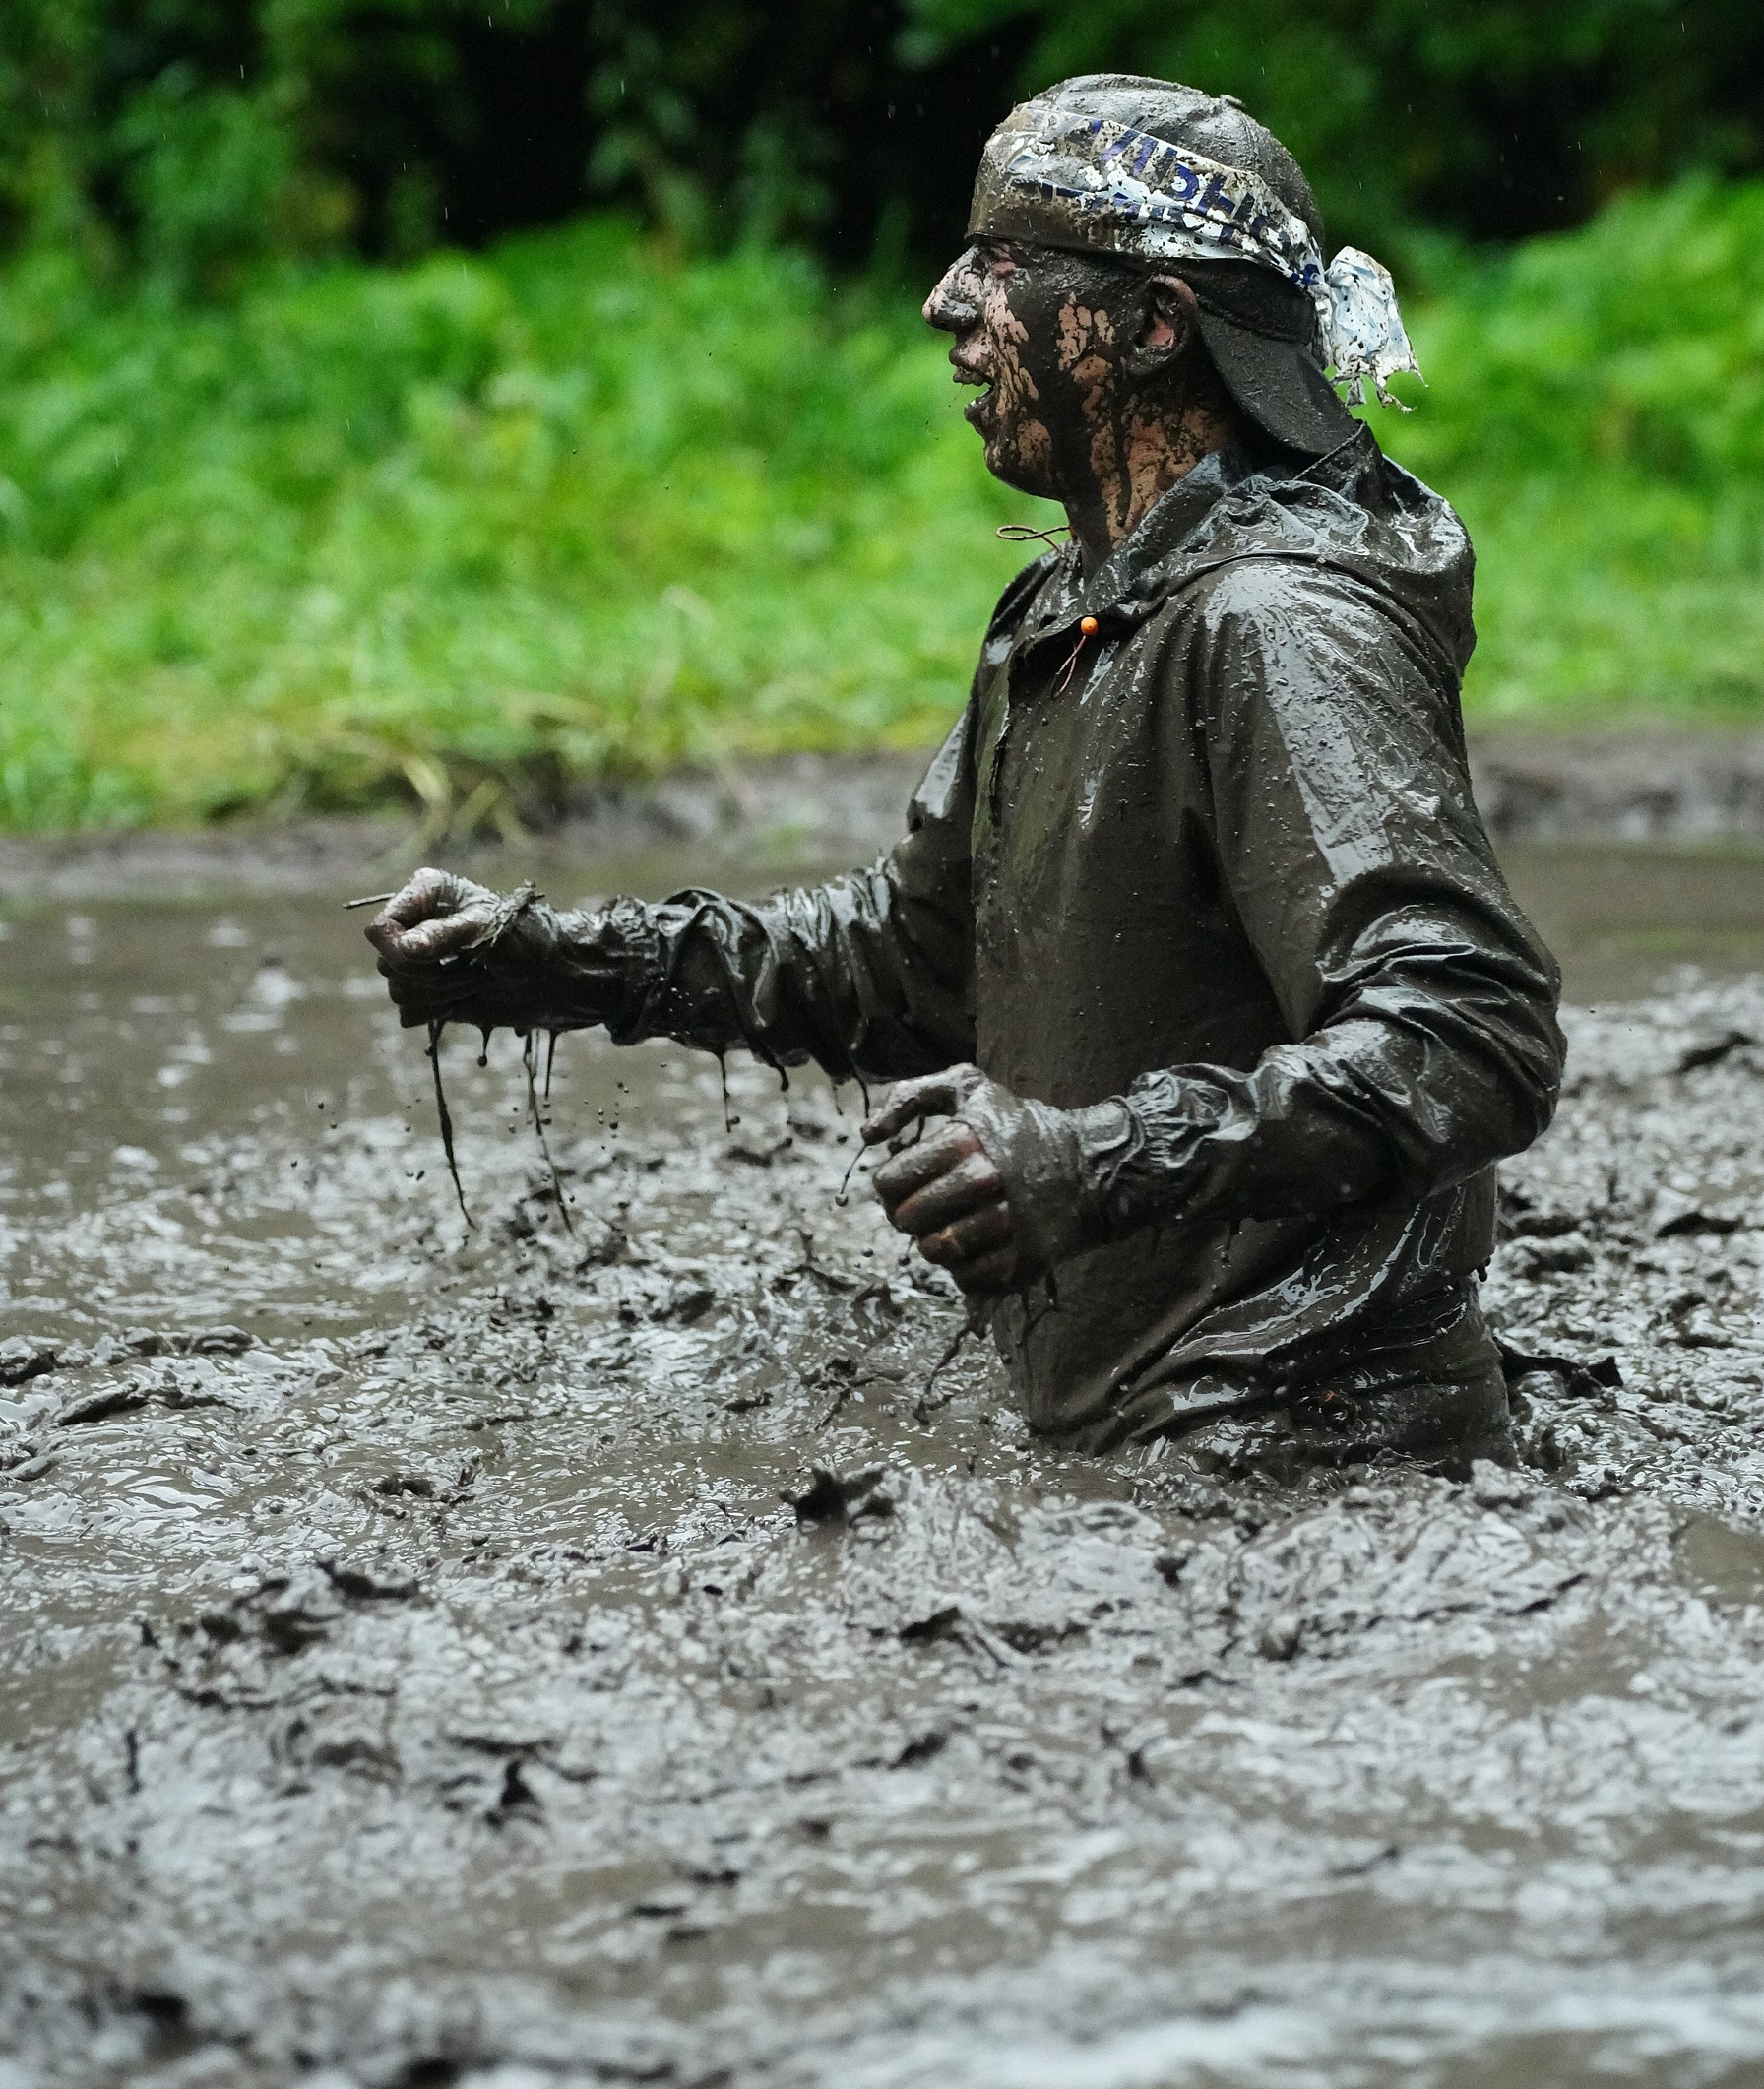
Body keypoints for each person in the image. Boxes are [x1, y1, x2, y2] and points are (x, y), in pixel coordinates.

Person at [365, 76, 1564, 1472]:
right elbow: (919, 966)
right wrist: (572, 965)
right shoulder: (1072, 610)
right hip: (1154, 1437)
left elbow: (1470, 1036)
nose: (946, 304)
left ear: (1148, 323)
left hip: (1306, 1449)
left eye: (1000, 265)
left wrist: (1090, 1160)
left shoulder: (1277, 628)